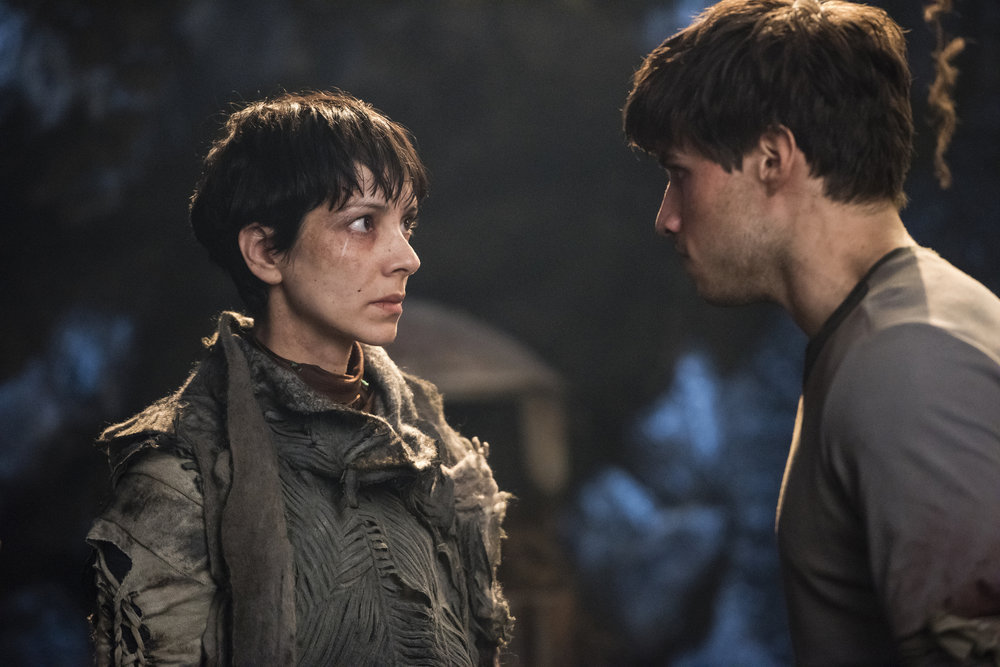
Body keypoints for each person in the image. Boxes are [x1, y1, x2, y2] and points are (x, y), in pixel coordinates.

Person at [623, 0, 1000, 664]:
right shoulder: (886, 335)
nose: (667, 217)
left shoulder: (907, 368)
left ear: (772, 159)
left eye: (681, 175)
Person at [87, 90, 513, 666]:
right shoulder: (186, 475)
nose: (407, 257)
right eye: (362, 222)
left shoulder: (431, 442)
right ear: (266, 251)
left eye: (406, 223)